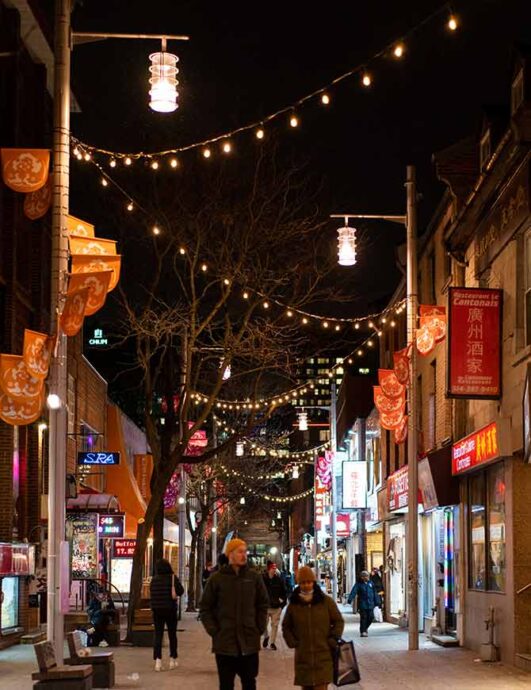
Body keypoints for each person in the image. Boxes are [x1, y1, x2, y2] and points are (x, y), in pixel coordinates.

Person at [199, 538, 269, 690]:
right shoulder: (217, 579)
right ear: (230, 554)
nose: (244, 555)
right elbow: (205, 607)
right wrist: (214, 631)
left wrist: (259, 627)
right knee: (226, 684)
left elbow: (263, 603)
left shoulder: (253, 578)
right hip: (225, 643)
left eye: (245, 552)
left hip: (249, 642)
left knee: (249, 683)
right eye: (240, 552)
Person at [282, 566, 344, 690]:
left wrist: (332, 639)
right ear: (299, 584)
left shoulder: (326, 602)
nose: (306, 585)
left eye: (309, 582)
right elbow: (286, 626)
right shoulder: (294, 604)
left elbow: (338, 621)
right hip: (303, 658)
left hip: (323, 656)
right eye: (303, 583)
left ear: (314, 582)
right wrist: (293, 642)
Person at [150, 558, 184, 671]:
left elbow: (152, 595)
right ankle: (172, 659)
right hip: (170, 610)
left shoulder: (154, 580)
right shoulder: (172, 578)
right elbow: (181, 591)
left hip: (157, 611)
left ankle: (158, 662)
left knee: (158, 635)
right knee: (172, 634)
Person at [348, 570, 381, 637]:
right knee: (364, 618)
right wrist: (350, 599)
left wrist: (377, 602)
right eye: (366, 576)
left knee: (371, 617)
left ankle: (365, 628)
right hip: (363, 604)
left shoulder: (371, 583)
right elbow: (353, 591)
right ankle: (363, 631)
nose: (367, 577)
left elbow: (375, 593)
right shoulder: (358, 584)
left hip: (371, 604)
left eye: (368, 576)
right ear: (362, 577)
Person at [262, 561, 287, 651]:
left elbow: (284, 593)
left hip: (276, 607)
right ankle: (266, 636)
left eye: (275, 568)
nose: (274, 570)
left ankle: (272, 643)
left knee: (275, 625)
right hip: (265, 607)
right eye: (273, 568)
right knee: (263, 625)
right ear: (269, 569)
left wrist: (281, 606)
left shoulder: (279, 580)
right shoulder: (262, 579)